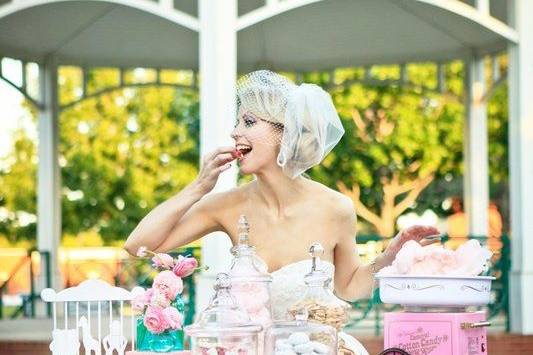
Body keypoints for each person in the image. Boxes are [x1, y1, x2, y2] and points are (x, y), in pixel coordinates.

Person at [124, 71, 438, 354]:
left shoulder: (336, 208)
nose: (235, 132)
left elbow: (350, 287)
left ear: (285, 132)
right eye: (237, 122)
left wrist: (390, 256)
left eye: (248, 122)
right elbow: (138, 245)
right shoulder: (225, 205)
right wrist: (197, 187)